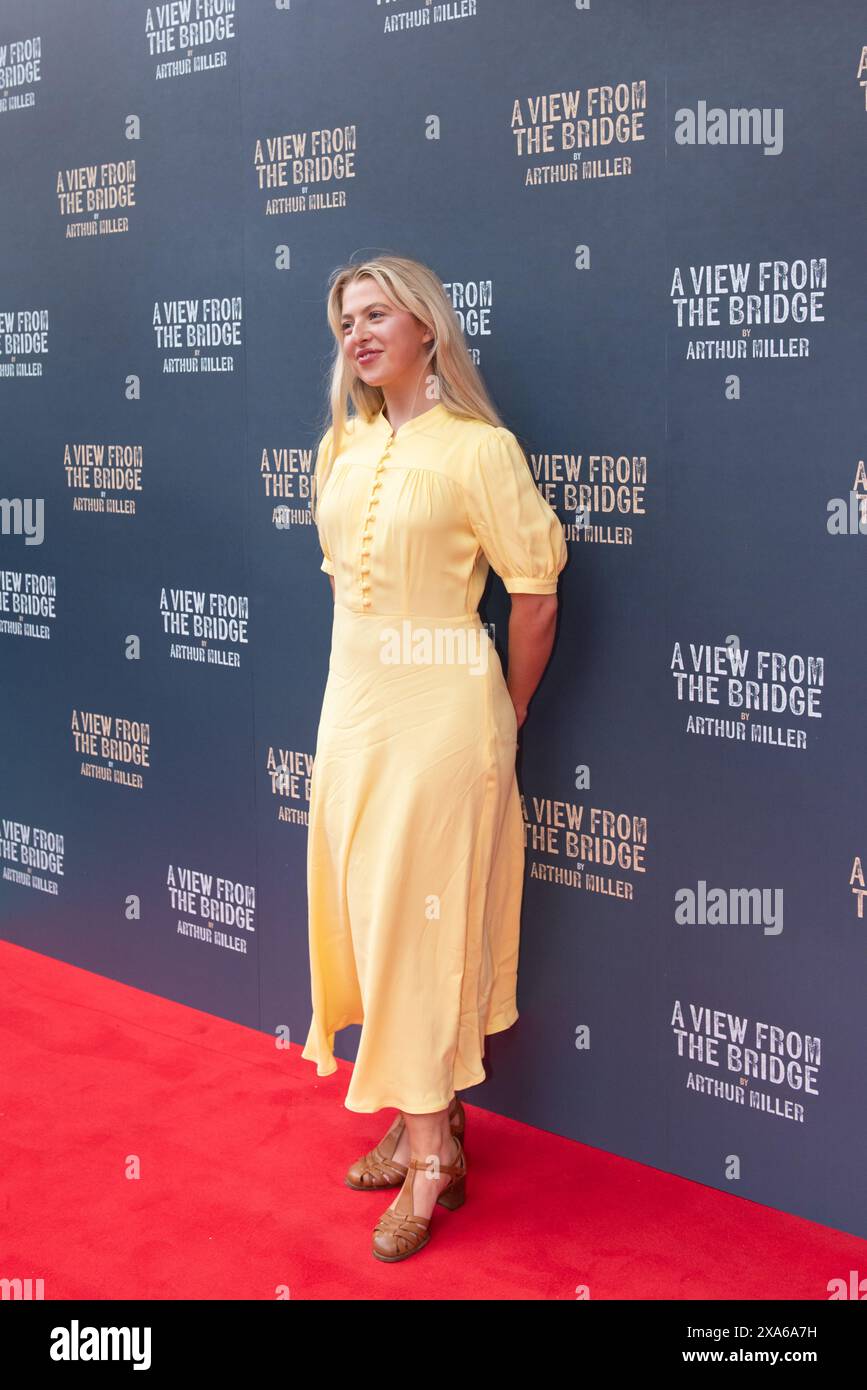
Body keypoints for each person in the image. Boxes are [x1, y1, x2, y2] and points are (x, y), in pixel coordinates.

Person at [302, 253, 568, 1261]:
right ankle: (436, 1117)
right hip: (354, 707)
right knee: (373, 918)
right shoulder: (343, 448)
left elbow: (533, 592)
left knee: (421, 924)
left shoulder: (479, 449)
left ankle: (425, 1157)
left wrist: (507, 710)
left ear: (426, 328)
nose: (358, 333)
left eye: (376, 314)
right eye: (344, 322)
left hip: (446, 715)